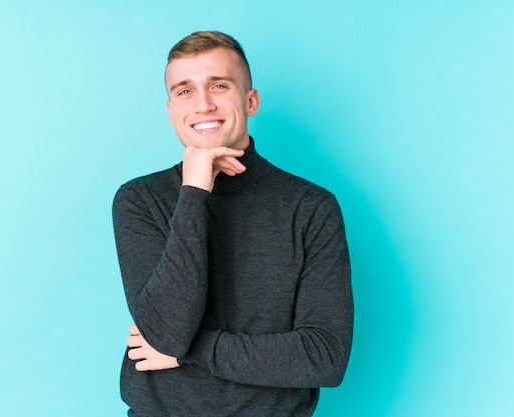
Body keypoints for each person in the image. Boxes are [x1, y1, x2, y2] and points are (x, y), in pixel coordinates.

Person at [112, 30, 353, 417]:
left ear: (251, 100)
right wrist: (193, 192)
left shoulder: (311, 207)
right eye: (185, 91)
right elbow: (167, 331)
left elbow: (323, 357)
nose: (203, 104)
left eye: (219, 85)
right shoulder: (140, 199)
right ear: (172, 109)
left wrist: (190, 351)